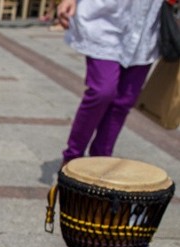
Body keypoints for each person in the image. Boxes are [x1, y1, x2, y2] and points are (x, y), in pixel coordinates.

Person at [57, 0, 162, 166]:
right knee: (102, 91)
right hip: (104, 20)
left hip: (147, 28)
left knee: (124, 101)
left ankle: (101, 160)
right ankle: (72, 158)